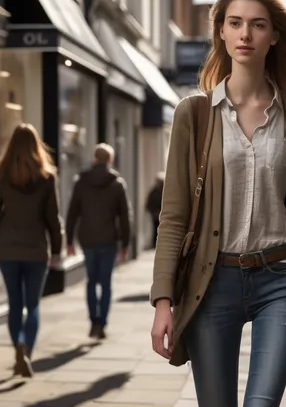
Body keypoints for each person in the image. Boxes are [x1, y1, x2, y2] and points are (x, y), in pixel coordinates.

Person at [149, 0, 286, 407]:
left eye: (257, 24)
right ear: (221, 33)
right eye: (235, 23)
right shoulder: (194, 115)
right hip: (213, 283)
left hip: (283, 279)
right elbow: (173, 216)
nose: (245, 34)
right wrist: (163, 299)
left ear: (274, 35)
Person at [0, 123, 63, 377]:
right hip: (36, 249)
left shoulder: (2, 174)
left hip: (7, 250)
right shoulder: (46, 177)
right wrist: (57, 249)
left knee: (15, 304)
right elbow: (53, 217)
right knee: (33, 305)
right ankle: (25, 349)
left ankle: (18, 348)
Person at [66, 143, 132, 339]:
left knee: (90, 281)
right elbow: (125, 217)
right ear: (109, 160)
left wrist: (68, 241)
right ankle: (101, 323)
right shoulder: (117, 184)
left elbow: (72, 214)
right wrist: (125, 244)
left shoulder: (81, 182)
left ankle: (93, 320)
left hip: (87, 239)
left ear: (95, 159)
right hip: (108, 240)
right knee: (105, 283)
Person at [145, 172, 165, 248]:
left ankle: (159, 244)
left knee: (160, 229)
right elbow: (149, 203)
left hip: (162, 214)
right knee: (155, 229)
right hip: (156, 214)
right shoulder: (154, 191)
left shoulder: (164, 191)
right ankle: (155, 244)